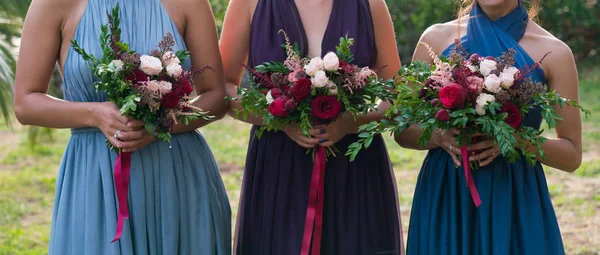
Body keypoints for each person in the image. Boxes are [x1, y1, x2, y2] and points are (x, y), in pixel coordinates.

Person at [14, 0, 231, 254]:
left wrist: (161, 125)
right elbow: (25, 103)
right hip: (96, 176)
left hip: (175, 173)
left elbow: (216, 97)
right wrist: (94, 114)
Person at [395, 0, 582, 254]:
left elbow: (571, 155)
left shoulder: (555, 53)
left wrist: (514, 140)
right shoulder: (435, 39)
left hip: (513, 197)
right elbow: (402, 130)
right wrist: (439, 137)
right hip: (446, 195)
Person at [219, 0, 404, 254]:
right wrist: (279, 120)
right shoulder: (248, 3)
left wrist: (352, 123)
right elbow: (224, 89)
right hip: (278, 167)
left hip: (355, 168)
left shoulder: (371, 5)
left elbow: (396, 94)